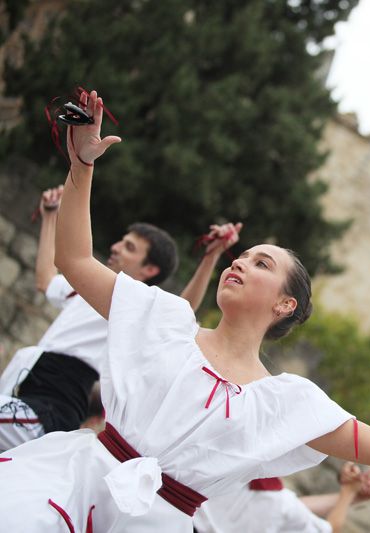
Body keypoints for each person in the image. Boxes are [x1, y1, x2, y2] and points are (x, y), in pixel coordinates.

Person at [0, 90, 370, 532]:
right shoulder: (163, 320)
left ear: (285, 303)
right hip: (72, 483)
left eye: (260, 262)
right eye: (242, 254)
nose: (239, 262)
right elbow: (72, 259)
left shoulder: (287, 403)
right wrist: (82, 168)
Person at [0, 183, 241, 452]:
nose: (115, 247)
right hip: (24, 390)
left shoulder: (134, 306)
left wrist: (210, 258)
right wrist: (50, 217)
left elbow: (184, 306)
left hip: (51, 405)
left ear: (149, 269)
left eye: (128, 247)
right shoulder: (88, 286)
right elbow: (46, 281)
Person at [193, 463, 370, 533]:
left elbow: (297, 508)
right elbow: (329, 529)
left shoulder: (231, 466)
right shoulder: (280, 503)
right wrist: (348, 494)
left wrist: (351, 497)